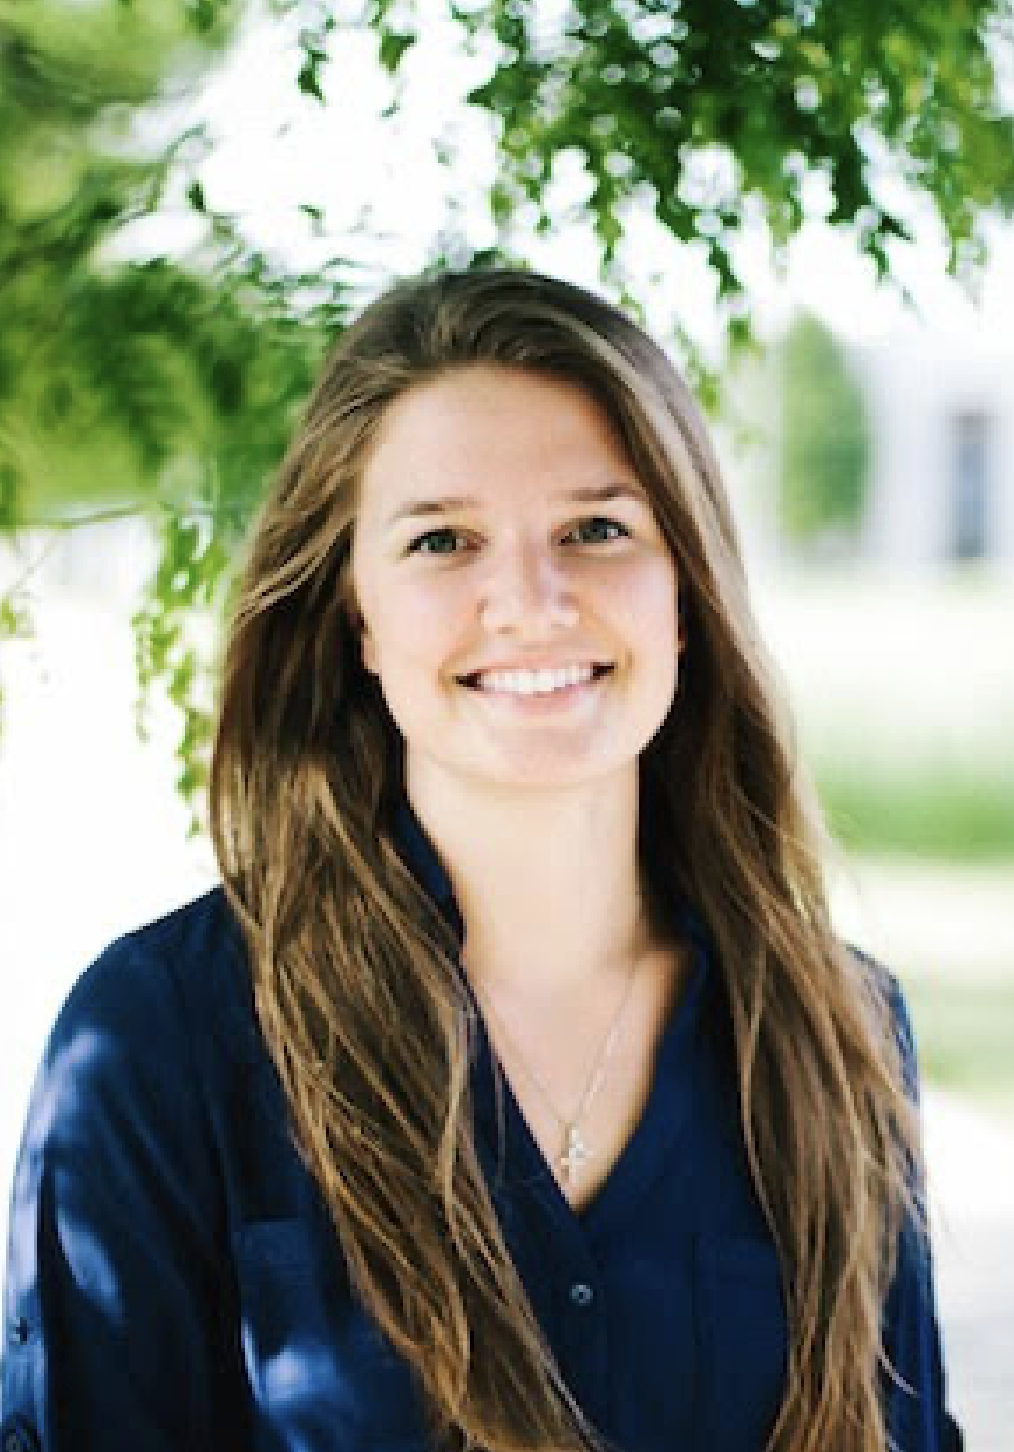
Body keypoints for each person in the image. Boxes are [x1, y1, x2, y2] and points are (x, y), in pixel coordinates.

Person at [0, 267, 961, 1452]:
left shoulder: (839, 1022)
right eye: (443, 540)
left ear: (686, 592)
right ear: (357, 614)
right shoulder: (162, 1036)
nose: (531, 601)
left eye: (597, 529)